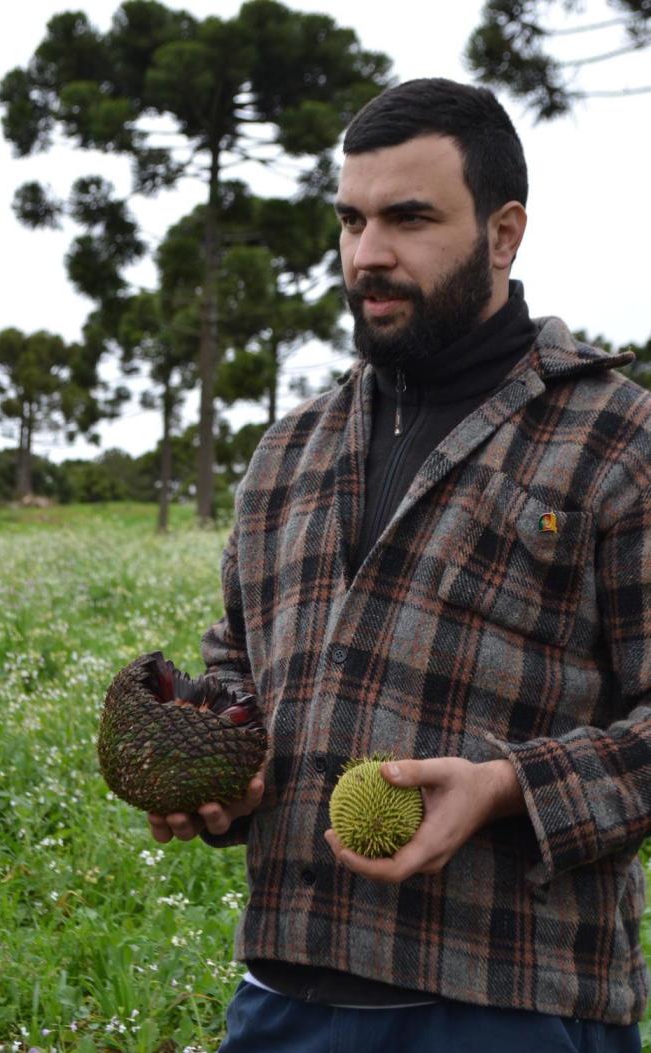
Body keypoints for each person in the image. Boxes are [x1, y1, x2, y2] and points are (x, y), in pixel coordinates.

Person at [148, 78, 649, 1051]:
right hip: (282, 1002)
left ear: (503, 234)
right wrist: (219, 775)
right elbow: (236, 674)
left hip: (511, 1008)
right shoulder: (288, 451)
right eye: (351, 219)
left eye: (409, 219)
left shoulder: (616, 441)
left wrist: (505, 788)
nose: (367, 254)